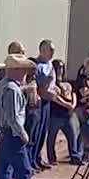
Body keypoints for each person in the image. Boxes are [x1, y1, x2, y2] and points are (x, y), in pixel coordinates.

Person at [26, 41, 56, 171]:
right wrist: (47, 81)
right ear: (42, 50)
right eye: (50, 49)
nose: (53, 52)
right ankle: (30, 160)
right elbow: (36, 85)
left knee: (43, 131)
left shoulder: (50, 65)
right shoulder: (36, 66)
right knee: (35, 133)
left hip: (48, 101)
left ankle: (38, 158)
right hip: (39, 101)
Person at [44, 61, 80, 165]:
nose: (60, 70)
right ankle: (52, 158)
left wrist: (73, 104)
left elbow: (73, 93)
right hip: (55, 114)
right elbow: (54, 97)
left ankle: (74, 156)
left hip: (68, 114)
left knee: (72, 135)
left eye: (62, 67)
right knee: (52, 137)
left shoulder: (67, 83)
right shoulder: (52, 84)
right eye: (58, 68)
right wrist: (65, 104)